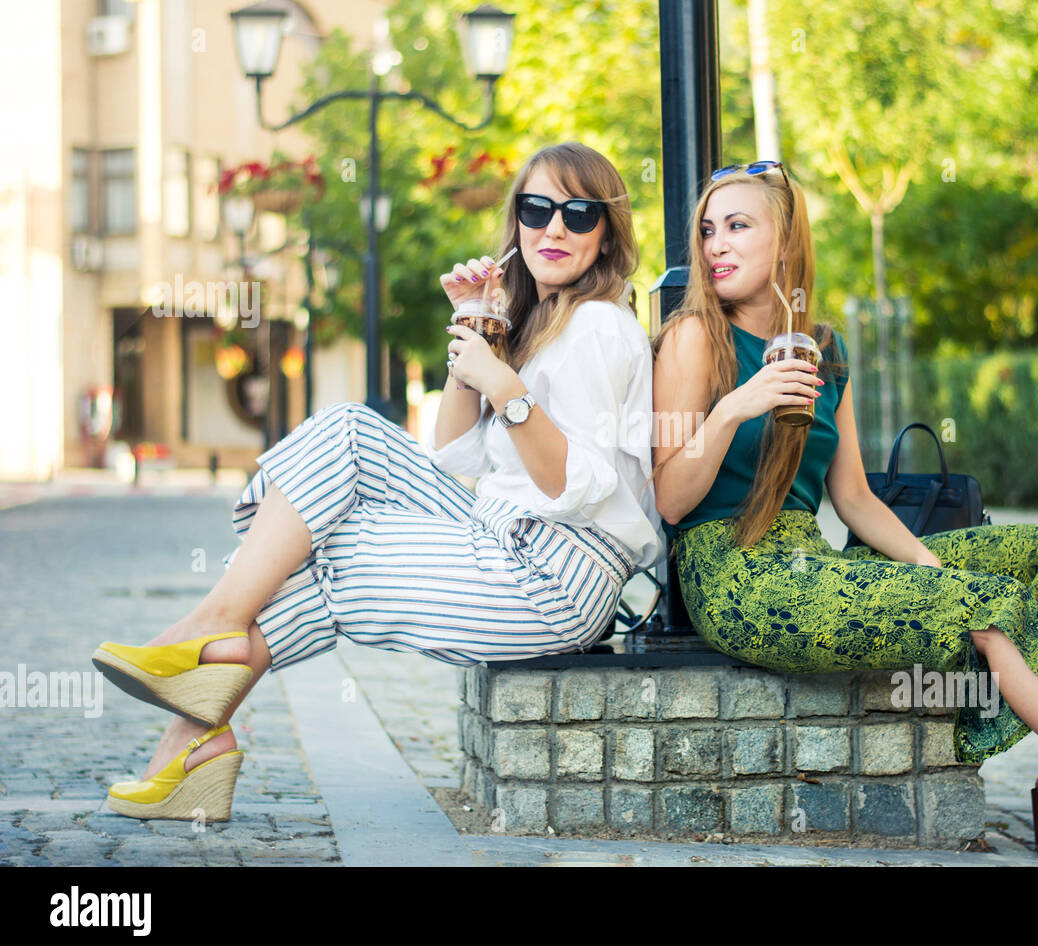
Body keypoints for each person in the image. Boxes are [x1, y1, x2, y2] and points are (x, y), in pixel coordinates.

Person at [649, 160, 1038, 867]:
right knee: (994, 606)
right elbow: (672, 499)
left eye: (739, 225)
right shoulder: (693, 338)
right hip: (736, 574)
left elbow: (855, 497)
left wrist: (931, 568)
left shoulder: (825, 348)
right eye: (708, 229)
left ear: (787, 241)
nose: (715, 244)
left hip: (812, 558)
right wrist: (740, 402)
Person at [91, 142, 662, 821]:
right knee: (347, 431)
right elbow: (454, 452)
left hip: (558, 574)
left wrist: (505, 386)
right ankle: (194, 727)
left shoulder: (598, 325)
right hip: (510, 530)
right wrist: (473, 338)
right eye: (537, 209)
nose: (554, 228)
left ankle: (203, 667)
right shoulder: (539, 321)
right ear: (516, 221)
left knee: (329, 549)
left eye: (579, 213)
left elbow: (572, 482)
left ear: (606, 234)